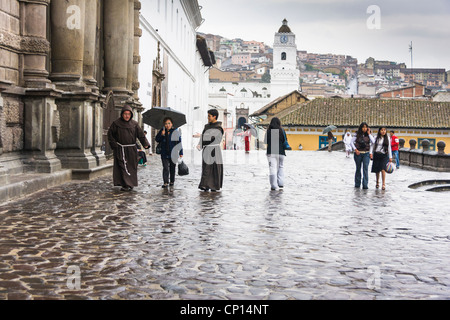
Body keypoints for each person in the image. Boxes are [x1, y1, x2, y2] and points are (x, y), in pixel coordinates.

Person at [107, 105, 150, 191]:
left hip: (131, 149)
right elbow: (110, 135)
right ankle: (125, 184)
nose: (127, 116)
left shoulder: (134, 124)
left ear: (131, 115)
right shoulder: (116, 124)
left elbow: (140, 135)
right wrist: (115, 145)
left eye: (128, 114)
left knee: (131, 166)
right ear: (122, 114)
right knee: (122, 166)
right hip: (120, 149)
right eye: (125, 114)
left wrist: (145, 144)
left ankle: (131, 183)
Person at [197, 109, 224, 192]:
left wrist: (202, 136)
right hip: (206, 150)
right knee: (206, 168)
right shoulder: (206, 126)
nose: (208, 117)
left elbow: (212, 137)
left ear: (214, 116)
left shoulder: (219, 128)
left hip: (215, 150)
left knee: (214, 168)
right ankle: (204, 185)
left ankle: (214, 185)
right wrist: (200, 144)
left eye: (209, 116)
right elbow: (204, 136)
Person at [155, 117, 183, 188]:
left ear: (172, 124)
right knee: (165, 168)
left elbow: (179, 143)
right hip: (164, 152)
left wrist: (181, 152)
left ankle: (172, 181)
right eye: (166, 124)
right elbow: (157, 139)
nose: (167, 125)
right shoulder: (162, 131)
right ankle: (165, 182)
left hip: (173, 153)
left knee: (172, 168)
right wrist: (161, 135)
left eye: (169, 123)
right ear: (164, 124)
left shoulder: (175, 132)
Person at [264, 117, 287, 191]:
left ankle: (274, 185)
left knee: (272, 168)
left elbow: (265, 141)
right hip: (281, 152)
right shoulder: (282, 130)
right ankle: (280, 183)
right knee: (281, 167)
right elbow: (284, 140)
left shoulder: (269, 131)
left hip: (272, 151)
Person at [351, 122, 375, 190]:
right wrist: (355, 149)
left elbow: (373, 142)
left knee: (365, 169)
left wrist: (369, 134)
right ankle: (357, 183)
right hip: (358, 153)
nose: (364, 129)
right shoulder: (357, 134)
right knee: (358, 168)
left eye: (366, 127)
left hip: (366, 153)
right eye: (363, 127)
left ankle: (365, 184)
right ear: (361, 128)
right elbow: (351, 142)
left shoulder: (368, 135)